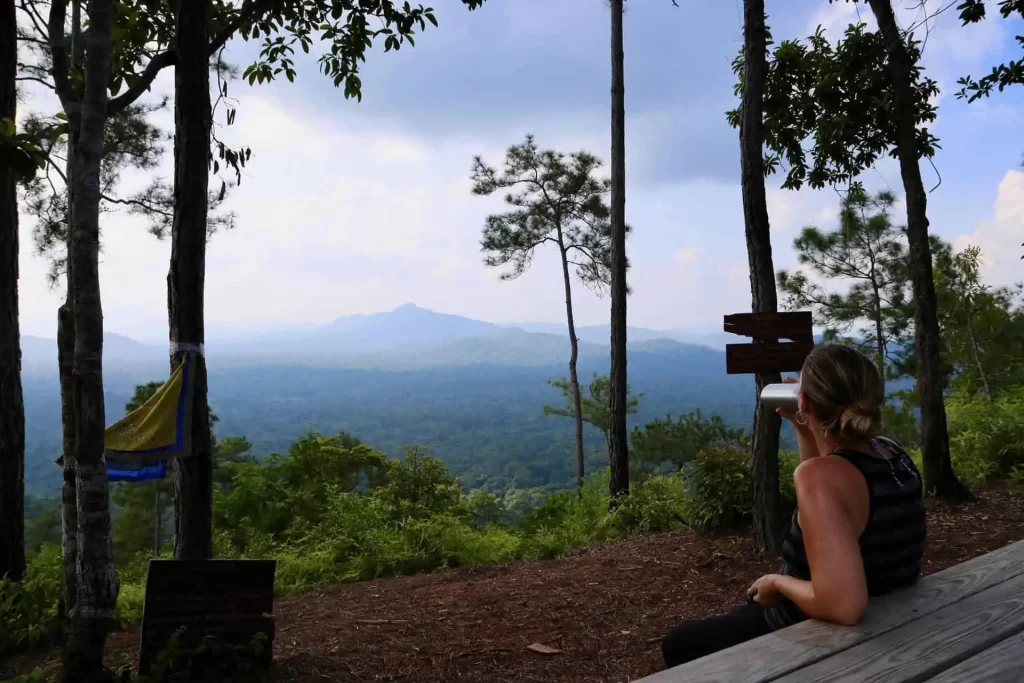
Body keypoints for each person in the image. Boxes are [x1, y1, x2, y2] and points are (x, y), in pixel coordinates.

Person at [661, 345, 925, 669]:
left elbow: (844, 605)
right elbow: (826, 503)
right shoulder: (893, 454)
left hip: (811, 630)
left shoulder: (822, 477)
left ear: (804, 401)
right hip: (891, 605)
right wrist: (803, 427)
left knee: (679, 643)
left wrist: (777, 583)